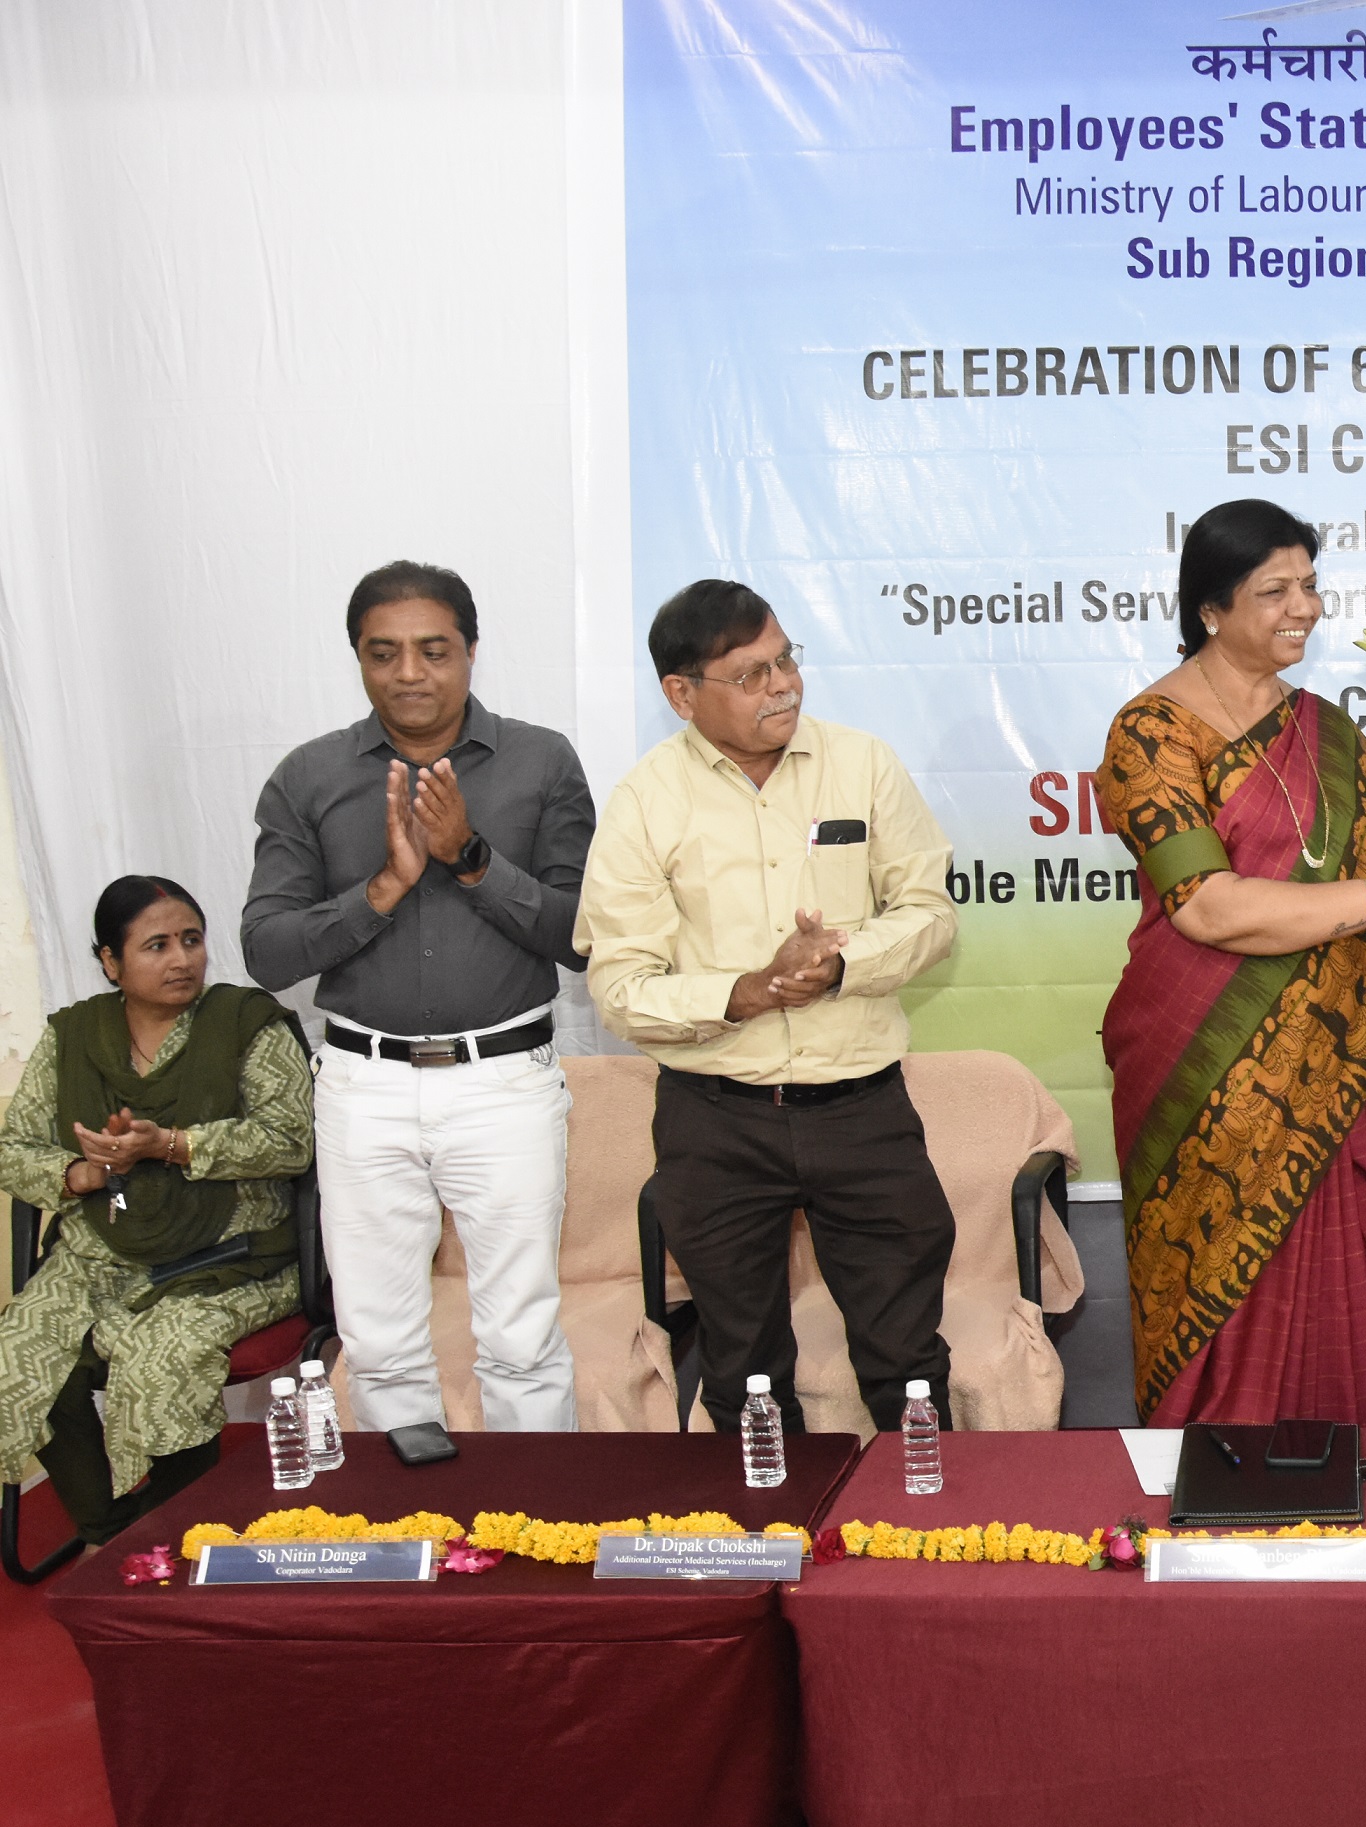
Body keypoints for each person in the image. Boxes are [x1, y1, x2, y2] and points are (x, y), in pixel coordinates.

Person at [1099, 499, 1366, 1427]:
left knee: (1356, 1300)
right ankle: (1226, 1492)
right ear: (1211, 608)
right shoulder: (1151, 734)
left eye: (1311, 586)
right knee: (1224, 1311)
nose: (1305, 608)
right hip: (1206, 1079)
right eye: (1275, 590)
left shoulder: (1325, 729)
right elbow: (1208, 906)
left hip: (1339, 1070)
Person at [578, 578, 959, 1434]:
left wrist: (839, 966)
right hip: (716, 1121)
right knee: (742, 1369)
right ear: (682, 695)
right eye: (750, 674)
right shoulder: (645, 800)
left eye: (786, 660)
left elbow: (930, 914)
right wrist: (745, 993)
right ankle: (770, 1520)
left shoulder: (862, 764)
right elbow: (621, 985)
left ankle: (918, 1513)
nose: (782, 685)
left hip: (861, 1112)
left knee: (907, 1362)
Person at [244, 560, 594, 1434]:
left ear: (472, 651)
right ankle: (414, 1513)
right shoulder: (310, 776)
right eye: (384, 653)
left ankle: (534, 1514)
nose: (409, 673)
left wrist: (471, 858)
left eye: (434, 650)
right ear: (358, 659)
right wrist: (383, 889)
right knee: (378, 1343)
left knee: (521, 1338)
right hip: (362, 1087)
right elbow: (266, 952)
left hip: (503, 1082)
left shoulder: (540, 761)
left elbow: (581, 936)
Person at [0, 878, 314, 1541]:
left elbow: (291, 1140)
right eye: (157, 945)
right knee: (18, 1352)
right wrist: (83, 1173)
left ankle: (180, 1532)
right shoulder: (74, 1036)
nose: (181, 960)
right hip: (100, 1254)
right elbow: (14, 1149)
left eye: (192, 940)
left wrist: (172, 1145)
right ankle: (110, 1532)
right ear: (111, 962)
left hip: (232, 1260)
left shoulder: (245, 1024)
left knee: (162, 1357)